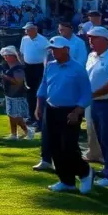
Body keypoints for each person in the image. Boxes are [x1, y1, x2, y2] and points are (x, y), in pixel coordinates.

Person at [38, 36, 94, 193]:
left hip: (71, 111)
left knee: (68, 146)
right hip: (51, 109)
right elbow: (43, 86)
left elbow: (86, 94)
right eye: (52, 49)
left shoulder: (77, 69)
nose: (53, 52)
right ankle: (66, 181)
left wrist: (77, 111)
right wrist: (38, 105)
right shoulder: (50, 66)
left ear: (66, 49)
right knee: (54, 146)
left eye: (56, 49)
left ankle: (85, 172)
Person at [85, 26, 108, 188]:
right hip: (97, 103)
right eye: (89, 38)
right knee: (102, 138)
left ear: (106, 41)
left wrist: (91, 94)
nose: (90, 41)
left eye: (94, 38)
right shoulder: (92, 56)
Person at [20, 22, 51, 125]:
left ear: (35, 29)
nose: (26, 31)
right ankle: (31, 116)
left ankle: (39, 118)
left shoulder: (43, 40)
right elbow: (22, 53)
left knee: (39, 92)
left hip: (40, 68)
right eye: (26, 30)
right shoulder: (24, 39)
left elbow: (48, 54)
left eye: (28, 29)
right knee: (29, 91)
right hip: (28, 68)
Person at [0, 47, 31, 140]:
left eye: (7, 55)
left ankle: (28, 132)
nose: (5, 57)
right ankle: (14, 134)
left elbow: (19, 82)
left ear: (13, 56)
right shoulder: (11, 67)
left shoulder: (18, 68)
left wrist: (5, 76)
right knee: (11, 115)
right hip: (10, 95)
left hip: (17, 95)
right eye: (4, 55)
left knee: (17, 116)